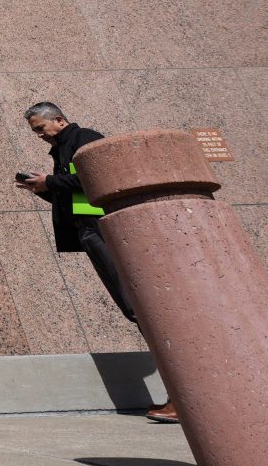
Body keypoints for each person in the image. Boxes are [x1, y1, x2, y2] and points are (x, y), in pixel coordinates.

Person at [17, 102, 178, 425]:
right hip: (91, 231)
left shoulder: (84, 140)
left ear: (59, 121)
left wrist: (53, 182)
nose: (38, 135)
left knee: (140, 309)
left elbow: (101, 178)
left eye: (40, 128)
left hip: (102, 231)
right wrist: (43, 188)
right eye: (35, 130)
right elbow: (76, 195)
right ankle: (182, 393)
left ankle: (183, 394)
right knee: (137, 310)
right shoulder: (64, 148)